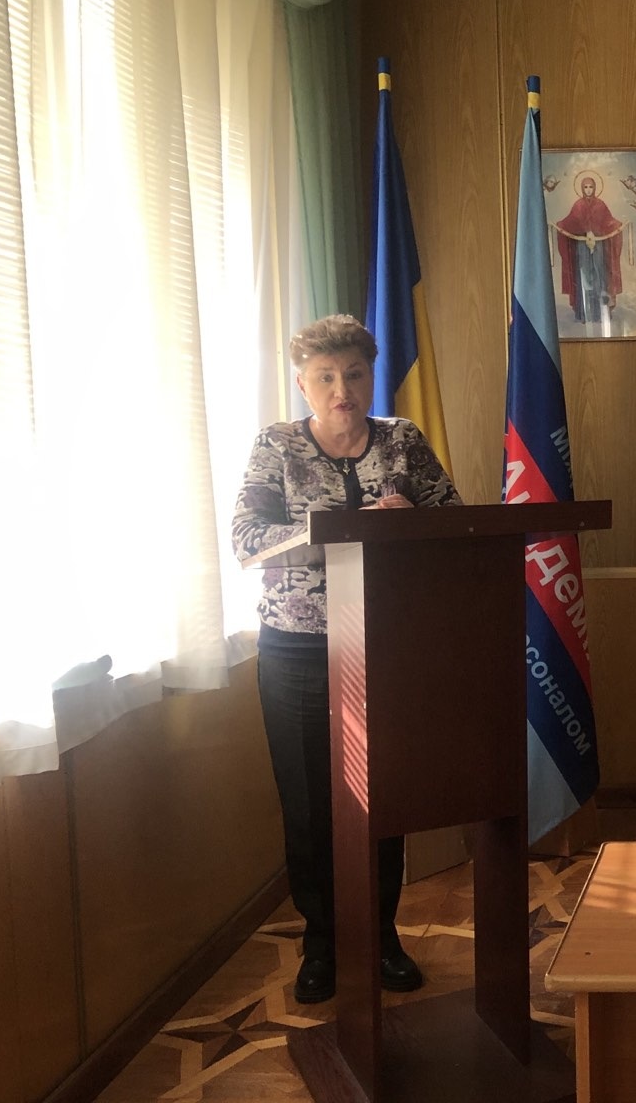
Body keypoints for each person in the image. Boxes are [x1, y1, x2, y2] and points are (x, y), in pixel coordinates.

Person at [231, 314, 461, 1004]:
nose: (342, 390)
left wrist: (410, 521)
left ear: (370, 376)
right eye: (326, 376)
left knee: (378, 797)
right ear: (303, 384)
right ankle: (322, 943)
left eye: (354, 374)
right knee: (309, 806)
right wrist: (338, 530)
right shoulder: (276, 445)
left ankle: (381, 935)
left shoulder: (401, 440)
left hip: (383, 646)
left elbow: (455, 522)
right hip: (296, 651)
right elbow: (247, 538)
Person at [554, 172, 625, 324]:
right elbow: (570, 222)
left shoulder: (600, 205)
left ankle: (600, 313)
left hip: (599, 245)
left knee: (600, 275)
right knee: (584, 276)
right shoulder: (578, 205)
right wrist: (560, 226)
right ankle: (584, 314)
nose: (588, 190)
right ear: (581, 188)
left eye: (590, 187)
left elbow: (608, 222)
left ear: (595, 188)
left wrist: (618, 226)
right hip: (581, 246)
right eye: (585, 187)